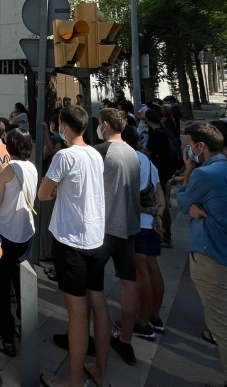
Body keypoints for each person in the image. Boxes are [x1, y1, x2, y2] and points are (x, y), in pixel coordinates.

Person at [177, 123, 227, 387]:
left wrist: (189, 171)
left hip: (210, 254)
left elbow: (183, 202)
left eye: (189, 145)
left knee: (223, 329)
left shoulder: (205, 174)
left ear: (200, 146)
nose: (188, 150)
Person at [38, 106, 106, 387]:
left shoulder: (64, 156)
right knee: (98, 303)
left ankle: (75, 378)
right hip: (96, 236)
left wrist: (54, 189)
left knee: (76, 311)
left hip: (71, 239)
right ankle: (100, 370)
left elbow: (43, 194)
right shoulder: (95, 153)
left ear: (64, 126)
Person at [93, 108, 142, 367]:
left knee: (90, 285)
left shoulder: (101, 151)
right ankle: (126, 339)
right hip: (129, 225)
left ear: (105, 125)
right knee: (128, 282)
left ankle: (87, 336)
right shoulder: (133, 152)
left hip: (106, 227)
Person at [0, 129, 37, 357]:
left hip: (5, 232)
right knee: (20, 283)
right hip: (26, 232)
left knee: (1, 288)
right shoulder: (31, 167)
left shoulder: (6, 169)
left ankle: (6, 339)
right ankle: (25, 327)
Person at [126, 124, 167, 342]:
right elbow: (159, 192)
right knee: (152, 267)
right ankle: (154, 316)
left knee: (140, 271)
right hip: (151, 222)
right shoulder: (148, 162)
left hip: (137, 223)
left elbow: (128, 196)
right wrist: (157, 214)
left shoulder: (129, 160)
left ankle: (141, 322)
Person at [142, 108, 175, 248]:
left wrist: (139, 148)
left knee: (162, 203)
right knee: (164, 201)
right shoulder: (165, 131)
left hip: (158, 169)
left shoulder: (155, 135)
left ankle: (165, 235)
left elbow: (148, 153)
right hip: (166, 169)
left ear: (147, 120)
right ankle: (166, 234)